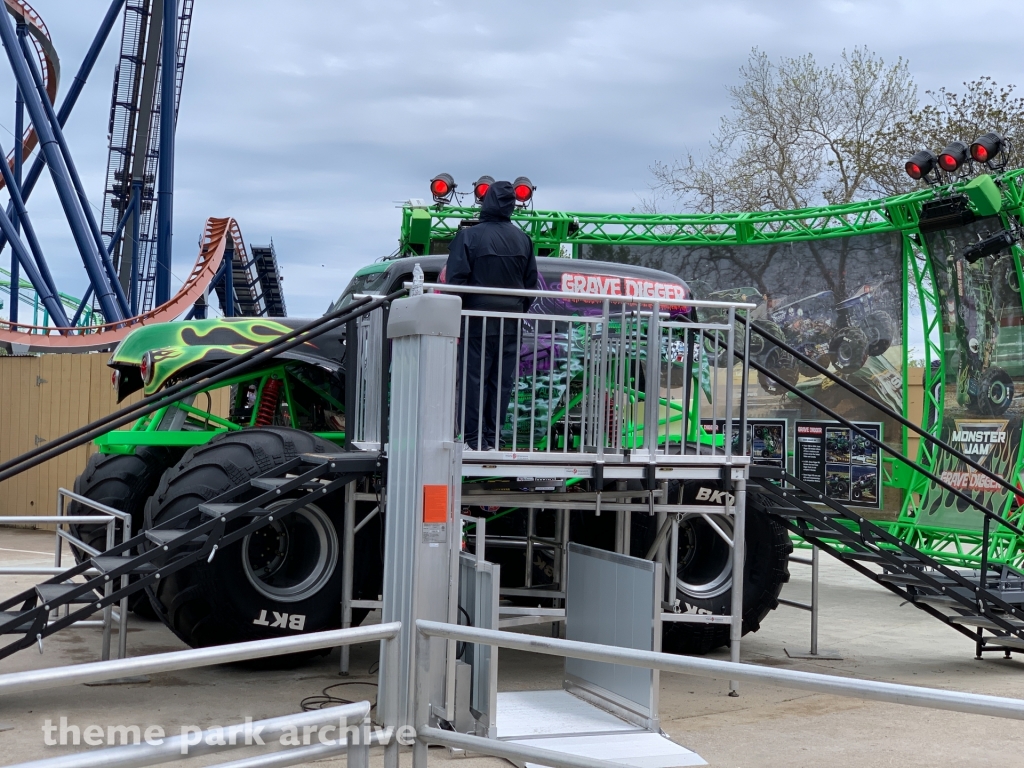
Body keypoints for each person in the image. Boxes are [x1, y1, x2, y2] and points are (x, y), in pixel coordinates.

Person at [444, 180, 538, 450]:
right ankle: (493, 438)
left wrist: (461, 314)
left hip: (477, 319)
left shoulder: (469, 236)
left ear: (486, 202)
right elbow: (531, 285)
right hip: (511, 321)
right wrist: (518, 309)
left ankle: (473, 439)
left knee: (474, 378)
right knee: (501, 381)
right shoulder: (523, 239)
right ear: (511, 205)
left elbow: (455, 283)